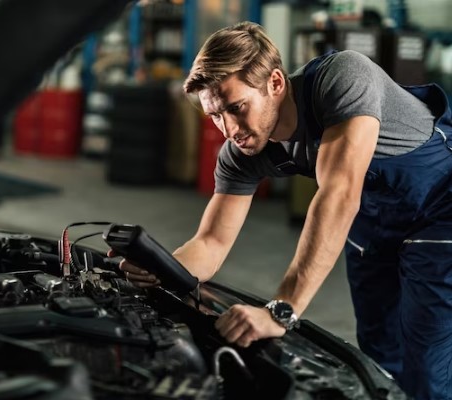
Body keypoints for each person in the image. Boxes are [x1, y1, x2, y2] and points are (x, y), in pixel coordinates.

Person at [116, 21, 452, 399]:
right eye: (214, 115)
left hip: (439, 210)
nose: (229, 129)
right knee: (379, 351)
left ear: (275, 83)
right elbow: (210, 242)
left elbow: (339, 194)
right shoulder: (241, 154)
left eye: (236, 107)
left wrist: (282, 310)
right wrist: (161, 267)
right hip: (373, 222)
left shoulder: (342, 78)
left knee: (426, 359)